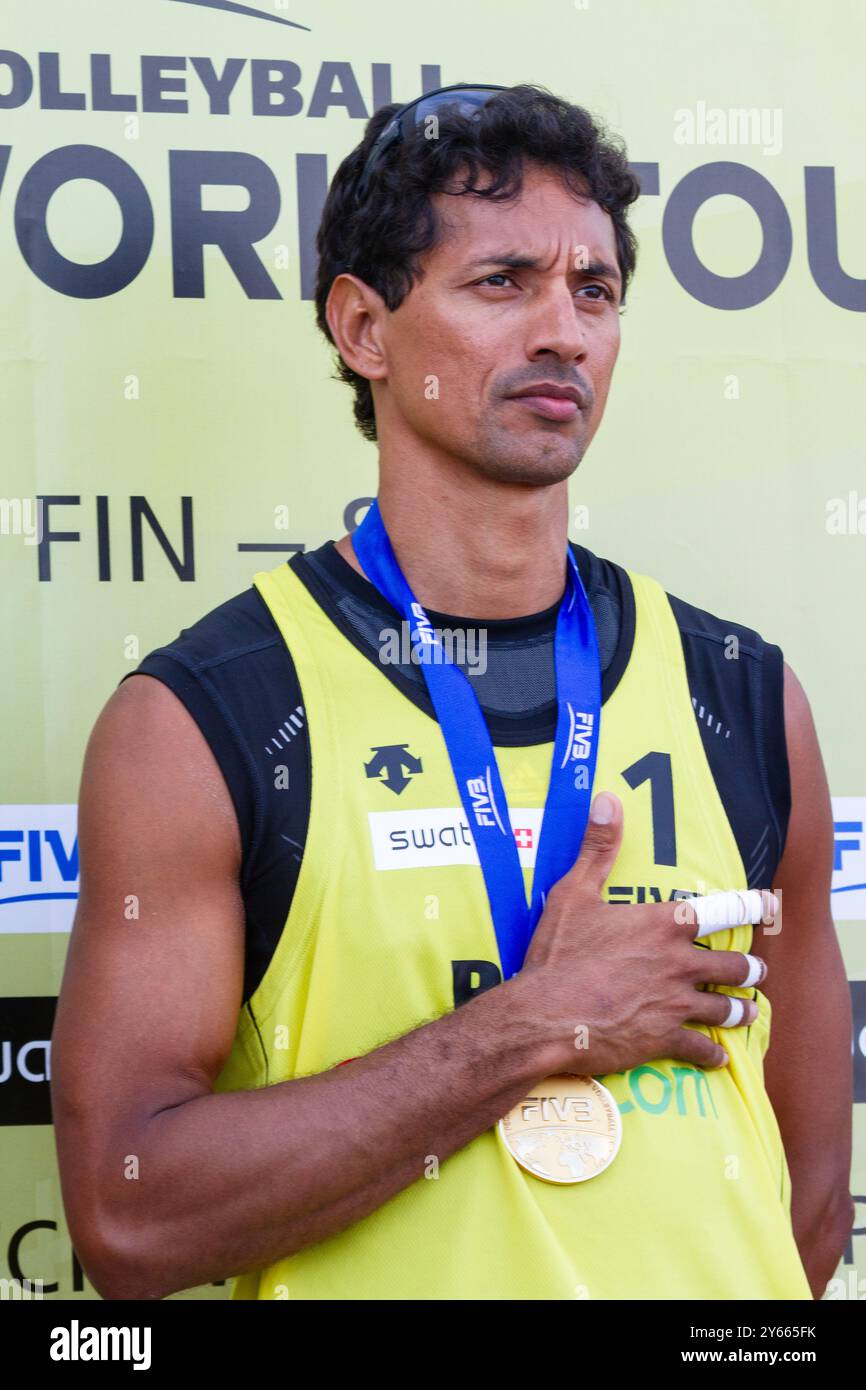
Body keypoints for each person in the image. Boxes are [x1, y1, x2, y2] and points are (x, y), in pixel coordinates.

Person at [52, 83, 853, 1301]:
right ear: (364, 329)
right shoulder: (205, 717)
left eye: (593, 291)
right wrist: (539, 1024)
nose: (562, 331)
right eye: (502, 283)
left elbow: (804, 1200)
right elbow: (128, 1217)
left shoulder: (740, 695)